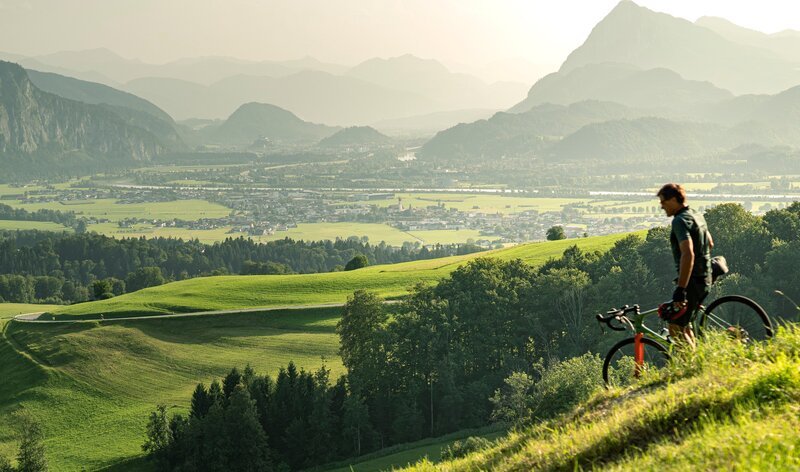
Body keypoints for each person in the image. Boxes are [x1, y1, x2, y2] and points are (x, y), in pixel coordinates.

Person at [657, 183, 714, 349]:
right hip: (705, 276)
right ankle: (695, 362)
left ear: (674, 199)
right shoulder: (696, 215)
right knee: (684, 324)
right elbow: (710, 243)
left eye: (663, 201)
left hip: (693, 280)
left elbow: (688, 253)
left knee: (674, 325)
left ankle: (691, 367)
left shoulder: (679, 221)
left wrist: (681, 289)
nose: (661, 206)